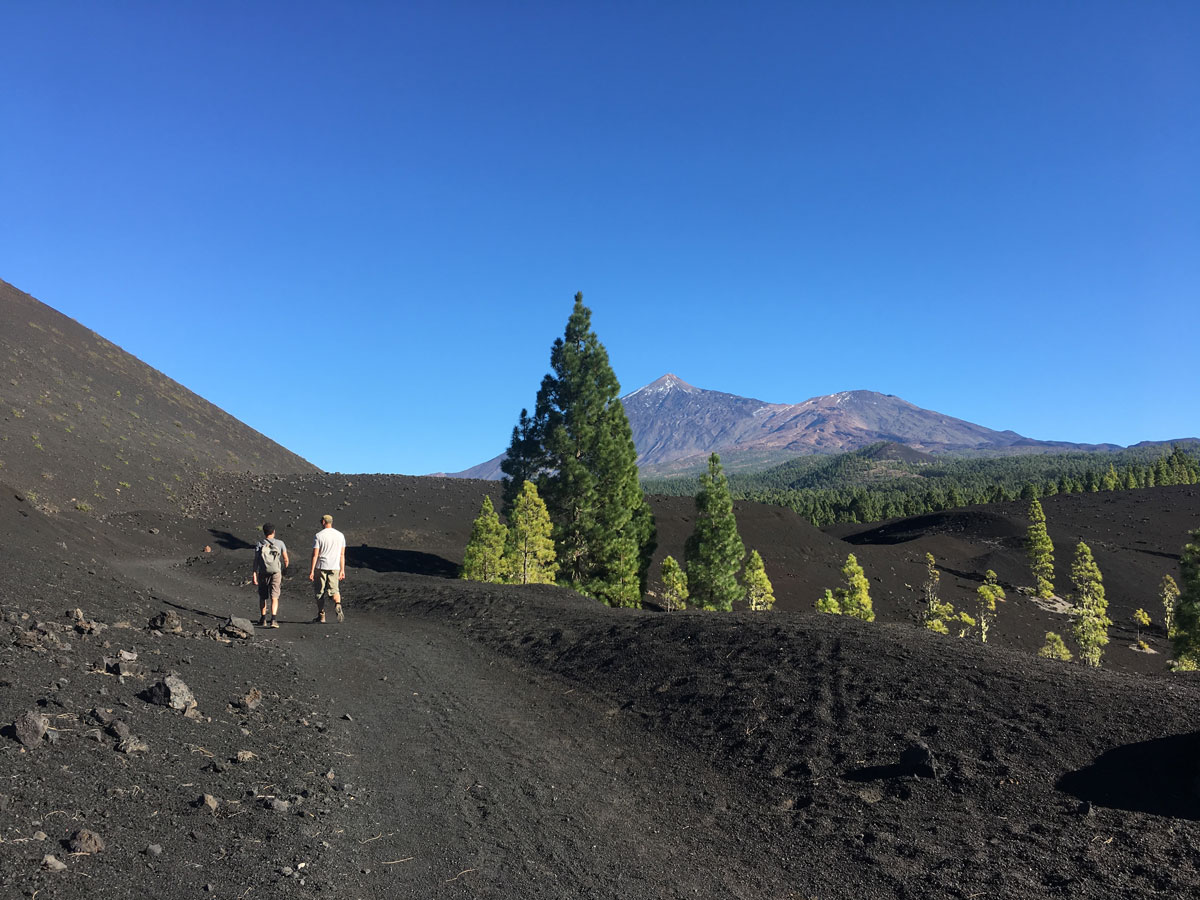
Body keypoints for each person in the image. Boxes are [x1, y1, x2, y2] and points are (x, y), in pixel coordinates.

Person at [309, 514, 346, 623]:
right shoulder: (340, 535)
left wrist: (312, 570)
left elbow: (315, 554)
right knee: (335, 590)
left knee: (319, 592)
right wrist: (342, 569)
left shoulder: (319, 535)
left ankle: (322, 615)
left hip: (321, 566)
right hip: (335, 566)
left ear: (324, 522)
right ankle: (338, 604)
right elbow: (342, 554)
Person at [252, 523, 289, 628]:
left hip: (263, 572)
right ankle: (273, 619)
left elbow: (256, 560)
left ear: (264, 532)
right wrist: (285, 569)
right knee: (275, 596)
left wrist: (254, 573)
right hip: (276, 572)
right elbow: (286, 559)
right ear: (274, 532)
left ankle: (263, 618)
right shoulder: (280, 543)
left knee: (263, 596)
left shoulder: (259, 544)